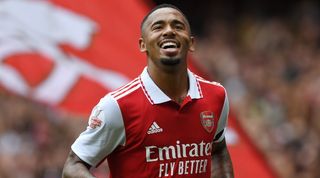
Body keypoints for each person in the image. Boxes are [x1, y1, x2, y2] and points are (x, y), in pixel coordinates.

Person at [62, 3, 234, 178]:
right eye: (158, 27)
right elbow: (73, 165)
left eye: (178, 26)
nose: (169, 31)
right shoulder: (118, 106)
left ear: (191, 43)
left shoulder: (216, 96)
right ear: (143, 45)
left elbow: (218, 150)